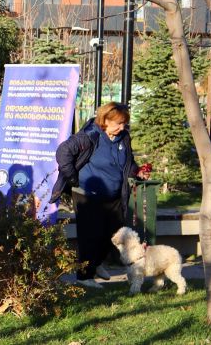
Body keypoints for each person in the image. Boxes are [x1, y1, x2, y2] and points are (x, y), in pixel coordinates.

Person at [52, 102, 150, 289]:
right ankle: (84, 276)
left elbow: (128, 162)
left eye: (125, 123)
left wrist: (137, 172)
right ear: (105, 120)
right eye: (118, 123)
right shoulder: (91, 135)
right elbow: (63, 152)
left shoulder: (123, 137)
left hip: (114, 195)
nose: (122, 127)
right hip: (88, 194)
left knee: (115, 232)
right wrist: (72, 178)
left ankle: (96, 264)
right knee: (91, 235)